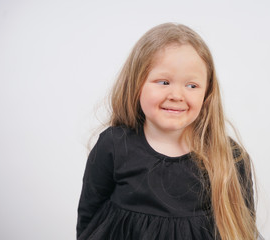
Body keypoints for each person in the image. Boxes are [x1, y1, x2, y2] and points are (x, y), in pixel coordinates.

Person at [77, 23, 260, 240]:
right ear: (137, 84)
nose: (176, 95)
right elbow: (88, 220)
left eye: (192, 86)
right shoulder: (114, 146)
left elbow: (243, 230)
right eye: (163, 82)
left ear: (207, 93)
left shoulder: (230, 158)